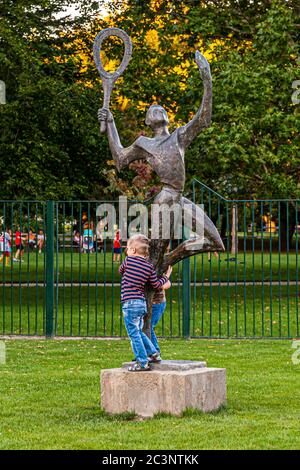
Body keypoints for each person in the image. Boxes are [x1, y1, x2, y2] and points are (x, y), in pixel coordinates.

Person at [119, 234, 172, 371]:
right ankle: (154, 353)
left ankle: (142, 362)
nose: (127, 251)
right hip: (142, 304)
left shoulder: (128, 261)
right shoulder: (149, 267)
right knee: (139, 331)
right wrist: (166, 277)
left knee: (133, 334)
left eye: (128, 248)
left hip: (129, 303)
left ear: (134, 251)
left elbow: (120, 271)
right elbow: (155, 284)